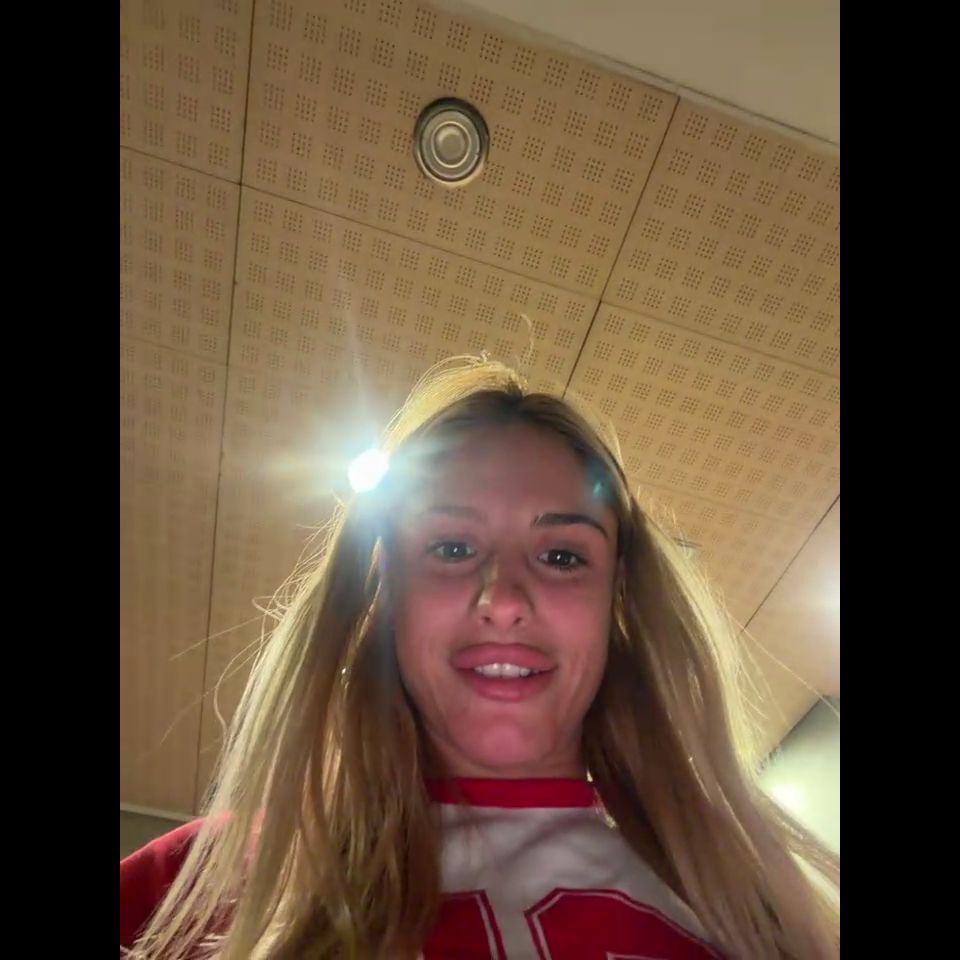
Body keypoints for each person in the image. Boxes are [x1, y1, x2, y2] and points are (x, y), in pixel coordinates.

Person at [121, 357, 840, 959]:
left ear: (618, 604)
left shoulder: (750, 910)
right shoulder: (203, 882)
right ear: (387, 594)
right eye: (452, 547)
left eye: (562, 556)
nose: (503, 599)